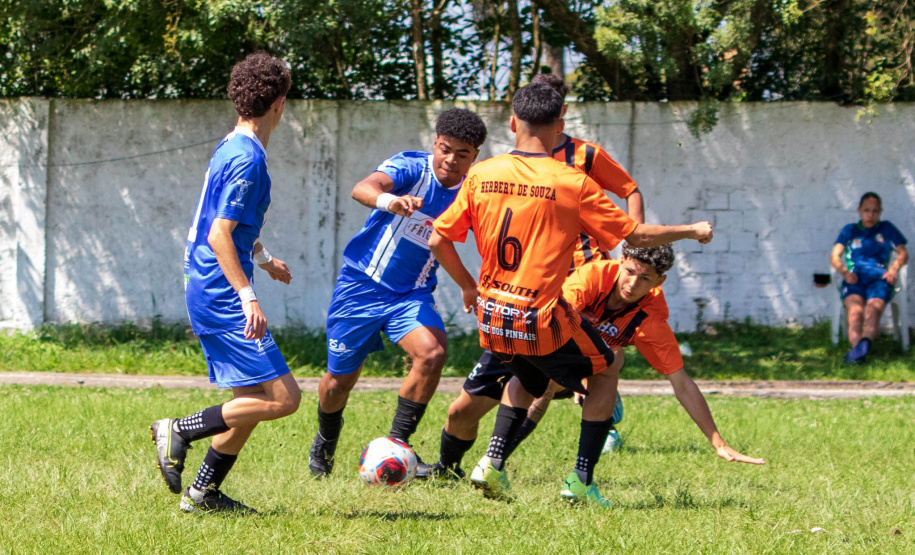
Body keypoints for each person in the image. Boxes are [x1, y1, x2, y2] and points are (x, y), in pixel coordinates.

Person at [429, 82, 713, 506]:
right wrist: (691, 230)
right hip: (539, 317)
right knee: (608, 364)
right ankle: (581, 479)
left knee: (530, 375)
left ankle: (492, 463)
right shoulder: (572, 182)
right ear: (559, 125)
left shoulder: (482, 174)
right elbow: (635, 235)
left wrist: (469, 286)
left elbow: (438, 239)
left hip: (491, 318)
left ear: (512, 123)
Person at [422, 74, 642, 480]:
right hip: (521, 302)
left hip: (560, 296)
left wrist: (629, 257)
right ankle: (457, 469)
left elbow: (630, 190)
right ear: (558, 119)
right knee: (468, 408)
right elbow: (441, 237)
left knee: (557, 375)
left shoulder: (583, 158)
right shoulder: (511, 173)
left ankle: (500, 462)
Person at [150, 52, 300, 514]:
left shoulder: (232, 145)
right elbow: (219, 235)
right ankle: (179, 429)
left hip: (207, 283)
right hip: (220, 291)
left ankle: (203, 493)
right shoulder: (247, 159)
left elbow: (232, 226)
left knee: (251, 399)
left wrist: (264, 259)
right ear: (279, 104)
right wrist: (248, 296)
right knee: (284, 399)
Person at [307, 108, 488, 478]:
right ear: (434, 144)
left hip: (411, 295)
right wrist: (390, 201)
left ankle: (397, 447)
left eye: (462, 154)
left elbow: (470, 238)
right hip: (360, 287)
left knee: (432, 353)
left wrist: (474, 285)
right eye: (444, 149)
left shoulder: (472, 192)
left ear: (475, 156)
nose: (450, 160)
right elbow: (362, 188)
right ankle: (325, 441)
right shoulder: (412, 168)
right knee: (339, 382)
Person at [830, 192, 908, 363]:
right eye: (866, 210)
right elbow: (834, 256)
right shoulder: (850, 230)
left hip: (879, 279)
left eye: (875, 211)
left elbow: (903, 253)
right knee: (855, 313)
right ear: (859, 210)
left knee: (873, 312)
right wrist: (845, 272)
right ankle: (859, 352)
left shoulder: (887, 228)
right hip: (855, 279)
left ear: (880, 212)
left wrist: (893, 269)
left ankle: (859, 352)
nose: (870, 215)